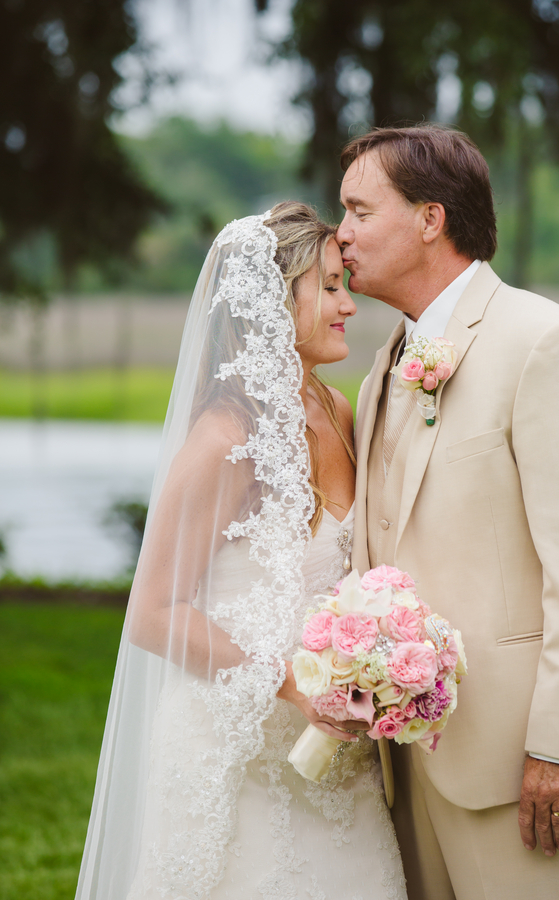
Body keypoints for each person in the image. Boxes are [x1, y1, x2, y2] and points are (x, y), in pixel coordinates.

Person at [75, 201, 407, 900]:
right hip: (239, 753)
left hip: (338, 757)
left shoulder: (337, 410)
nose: (349, 303)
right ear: (273, 300)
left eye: (346, 281)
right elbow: (153, 612)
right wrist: (291, 681)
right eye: (329, 285)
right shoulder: (224, 440)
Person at [338, 125, 559, 900]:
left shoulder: (542, 341)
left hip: (519, 767)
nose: (341, 234)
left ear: (430, 219)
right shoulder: (379, 370)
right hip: (405, 766)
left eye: (358, 210)